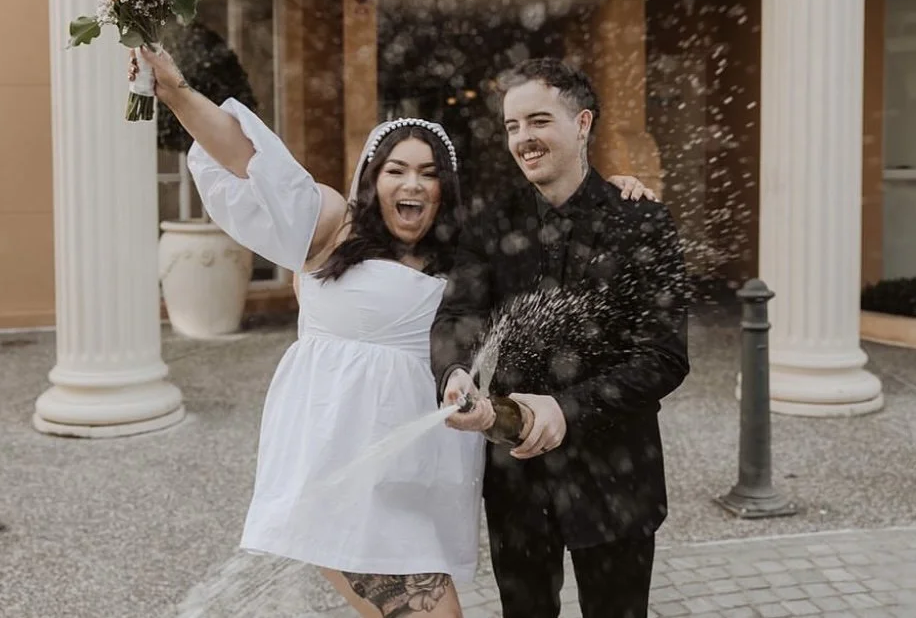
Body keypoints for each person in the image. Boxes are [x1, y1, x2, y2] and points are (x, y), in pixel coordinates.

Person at [135, 46, 656, 618]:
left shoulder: (466, 252)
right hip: (342, 464)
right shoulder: (331, 225)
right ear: (372, 176)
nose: (413, 184)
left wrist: (607, 193)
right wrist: (176, 91)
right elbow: (247, 158)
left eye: (430, 174)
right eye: (397, 170)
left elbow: (546, 250)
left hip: (422, 474)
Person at [433, 58, 690, 618]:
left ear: (582, 124)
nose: (523, 138)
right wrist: (454, 374)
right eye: (512, 126)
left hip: (617, 477)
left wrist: (567, 408)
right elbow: (457, 315)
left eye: (539, 120)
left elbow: (664, 357)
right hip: (517, 483)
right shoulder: (490, 223)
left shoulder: (642, 222)